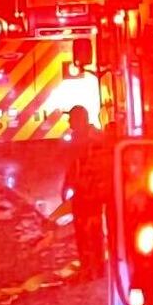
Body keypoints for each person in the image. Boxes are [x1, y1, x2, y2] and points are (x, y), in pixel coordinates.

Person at [64, 106, 116, 280]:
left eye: (71, 119)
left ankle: (94, 269)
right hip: (84, 191)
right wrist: (67, 184)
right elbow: (72, 166)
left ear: (80, 119)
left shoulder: (93, 140)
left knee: (90, 232)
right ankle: (91, 268)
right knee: (85, 232)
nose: (69, 123)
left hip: (90, 192)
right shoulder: (86, 137)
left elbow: (100, 166)